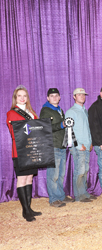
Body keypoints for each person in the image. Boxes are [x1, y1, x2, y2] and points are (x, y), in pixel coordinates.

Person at [6, 85, 42, 222]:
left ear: (27, 98)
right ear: (15, 98)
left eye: (24, 96)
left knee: (29, 178)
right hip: (20, 151)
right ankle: (25, 211)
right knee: (22, 179)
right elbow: (15, 133)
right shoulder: (11, 113)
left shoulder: (31, 113)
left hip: (31, 149)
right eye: (19, 96)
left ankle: (29, 207)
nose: (22, 98)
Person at [40, 88, 74, 208]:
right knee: (53, 174)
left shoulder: (59, 110)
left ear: (59, 97)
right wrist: (62, 124)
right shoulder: (45, 110)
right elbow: (45, 126)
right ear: (48, 98)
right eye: (52, 96)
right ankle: (53, 199)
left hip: (61, 145)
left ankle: (60, 195)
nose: (54, 98)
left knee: (60, 174)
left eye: (56, 95)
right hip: (52, 145)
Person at [66, 88, 96, 202]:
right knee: (80, 170)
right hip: (78, 145)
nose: (82, 96)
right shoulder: (71, 111)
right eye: (79, 95)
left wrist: (90, 142)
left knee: (85, 170)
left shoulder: (84, 111)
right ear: (74, 97)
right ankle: (79, 196)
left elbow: (86, 128)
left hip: (86, 145)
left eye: (83, 94)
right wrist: (78, 145)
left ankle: (84, 193)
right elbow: (69, 130)